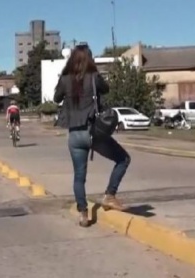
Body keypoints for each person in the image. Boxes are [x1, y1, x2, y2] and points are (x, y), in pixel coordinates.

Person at [53, 43, 131, 227]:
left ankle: (83, 214)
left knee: (79, 176)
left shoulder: (65, 79)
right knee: (123, 159)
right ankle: (110, 195)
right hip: (92, 132)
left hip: (74, 135)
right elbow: (106, 88)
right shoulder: (94, 77)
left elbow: (56, 98)